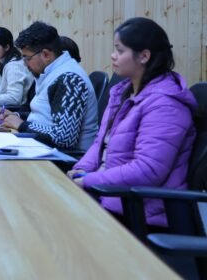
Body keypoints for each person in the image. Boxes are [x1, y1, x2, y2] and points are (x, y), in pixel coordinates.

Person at [69, 17, 196, 227]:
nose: (113, 55)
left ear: (144, 56)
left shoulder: (166, 105)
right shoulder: (122, 92)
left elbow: (147, 170)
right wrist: (80, 170)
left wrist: (88, 181)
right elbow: (100, 143)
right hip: (108, 195)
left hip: (137, 211)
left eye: (119, 50)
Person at [0, 21, 98, 153]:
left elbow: (64, 138)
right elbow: (44, 116)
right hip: (43, 148)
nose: (25, 64)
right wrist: (15, 115)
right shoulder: (52, 72)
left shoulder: (69, 79)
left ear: (46, 54)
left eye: (27, 58)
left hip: (64, 159)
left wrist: (21, 124)